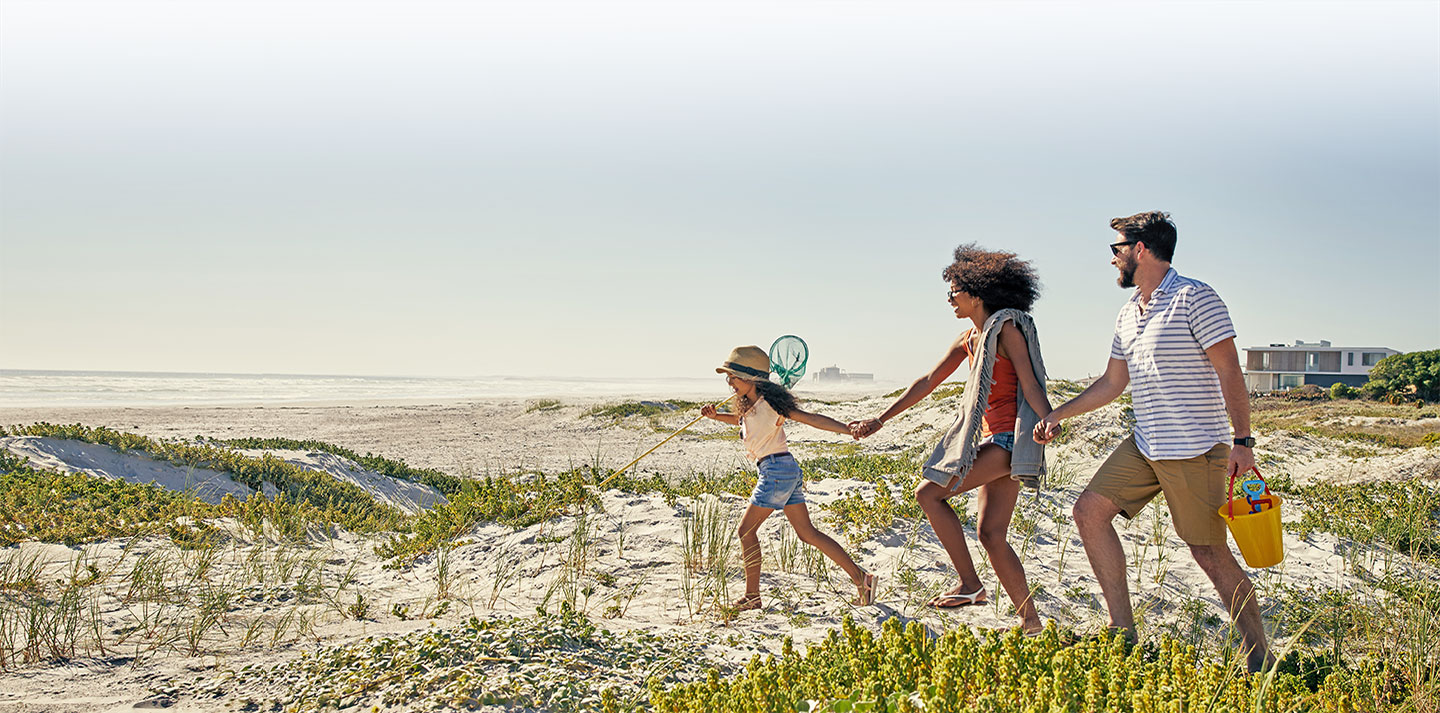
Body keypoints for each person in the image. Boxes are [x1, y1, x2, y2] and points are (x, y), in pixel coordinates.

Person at [1033, 211, 1272, 672]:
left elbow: (1230, 371)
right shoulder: (1129, 312)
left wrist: (1243, 441)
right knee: (1089, 511)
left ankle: (1260, 658)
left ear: (1141, 250)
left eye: (1116, 249)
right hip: (1146, 444)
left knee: (1207, 552)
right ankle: (1122, 635)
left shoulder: (1195, 297)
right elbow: (1112, 382)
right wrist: (1058, 413)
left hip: (1195, 450)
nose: (1113, 260)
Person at [851, 244, 1051, 635]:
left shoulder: (1006, 329)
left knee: (929, 493)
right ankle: (1031, 622)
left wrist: (1049, 419)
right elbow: (927, 382)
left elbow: (1030, 382)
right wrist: (881, 418)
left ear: (975, 293)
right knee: (991, 534)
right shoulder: (968, 339)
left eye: (954, 291)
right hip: (996, 439)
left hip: (1011, 442)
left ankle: (972, 585)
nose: (950, 300)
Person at [701, 345, 877, 611]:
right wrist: (715, 417)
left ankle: (752, 596)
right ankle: (862, 579)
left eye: (733, 377)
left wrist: (846, 428)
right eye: (728, 377)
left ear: (750, 378)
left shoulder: (771, 403)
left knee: (745, 532)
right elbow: (740, 420)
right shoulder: (751, 405)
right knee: (808, 534)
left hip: (776, 472)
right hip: (784, 469)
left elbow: (811, 419)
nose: (729, 383)